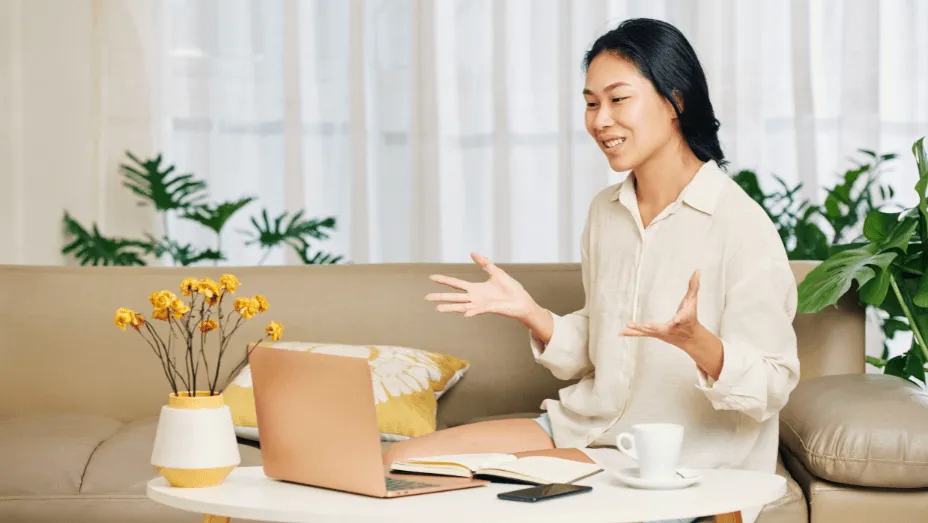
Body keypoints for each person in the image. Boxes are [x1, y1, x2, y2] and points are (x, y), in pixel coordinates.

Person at [383, 18, 799, 523]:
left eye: (618, 99)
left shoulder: (740, 224)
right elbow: (603, 347)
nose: (601, 120)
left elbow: (773, 383)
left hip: (681, 463)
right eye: (591, 103)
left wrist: (699, 344)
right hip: (585, 432)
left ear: (675, 101)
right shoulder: (607, 210)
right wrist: (533, 315)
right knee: (400, 462)